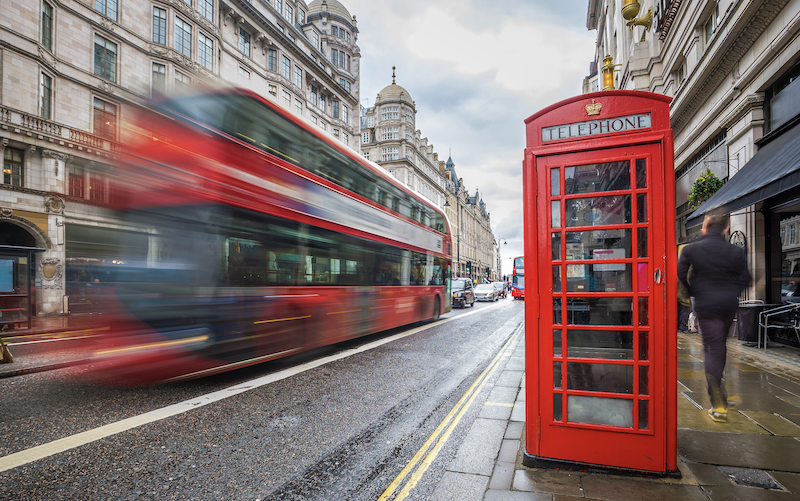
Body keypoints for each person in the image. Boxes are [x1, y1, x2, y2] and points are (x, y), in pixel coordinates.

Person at [677, 213, 751, 423]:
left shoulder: (692, 249)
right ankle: (721, 391)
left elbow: (680, 273)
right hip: (727, 304)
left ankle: (718, 404)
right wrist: (731, 290)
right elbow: (746, 277)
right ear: (726, 228)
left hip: (705, 303)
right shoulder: (734, 250)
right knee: (720, 346)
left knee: (713, 347)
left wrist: (693, 290)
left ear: (705, 227)